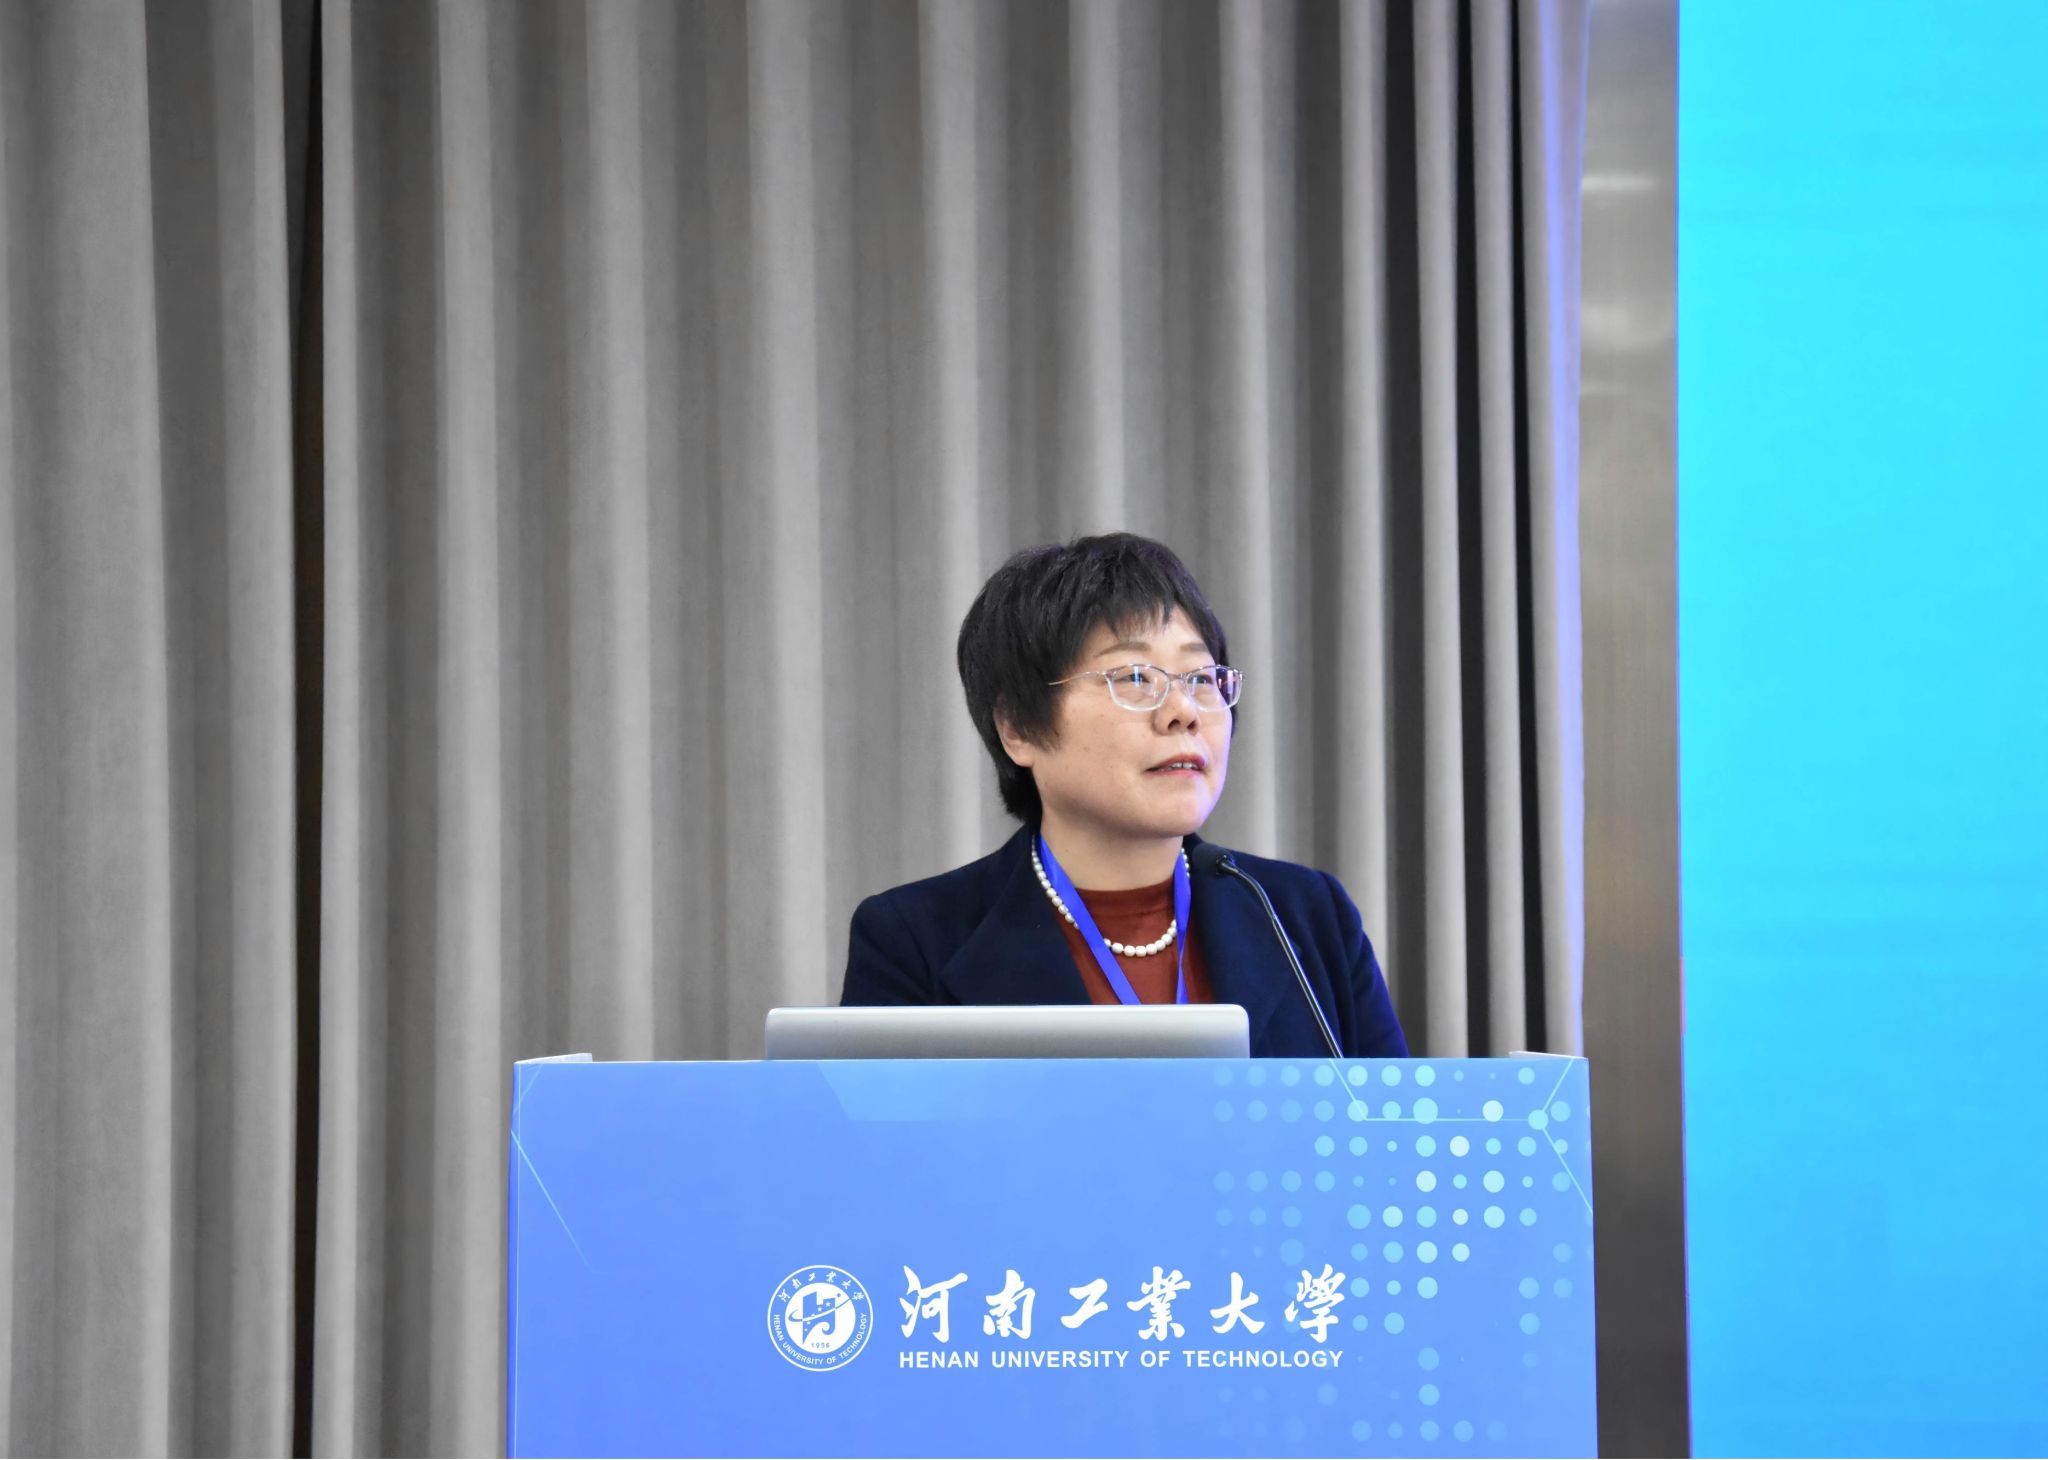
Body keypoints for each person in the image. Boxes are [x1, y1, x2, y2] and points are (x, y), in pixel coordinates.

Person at [840, 532, 1407, 1059]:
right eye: (1134, 678)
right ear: (1017, 728)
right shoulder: (915, 940)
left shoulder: (1304, 915)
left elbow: (1393, 1130)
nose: (1183, 711)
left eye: (1201, 678)